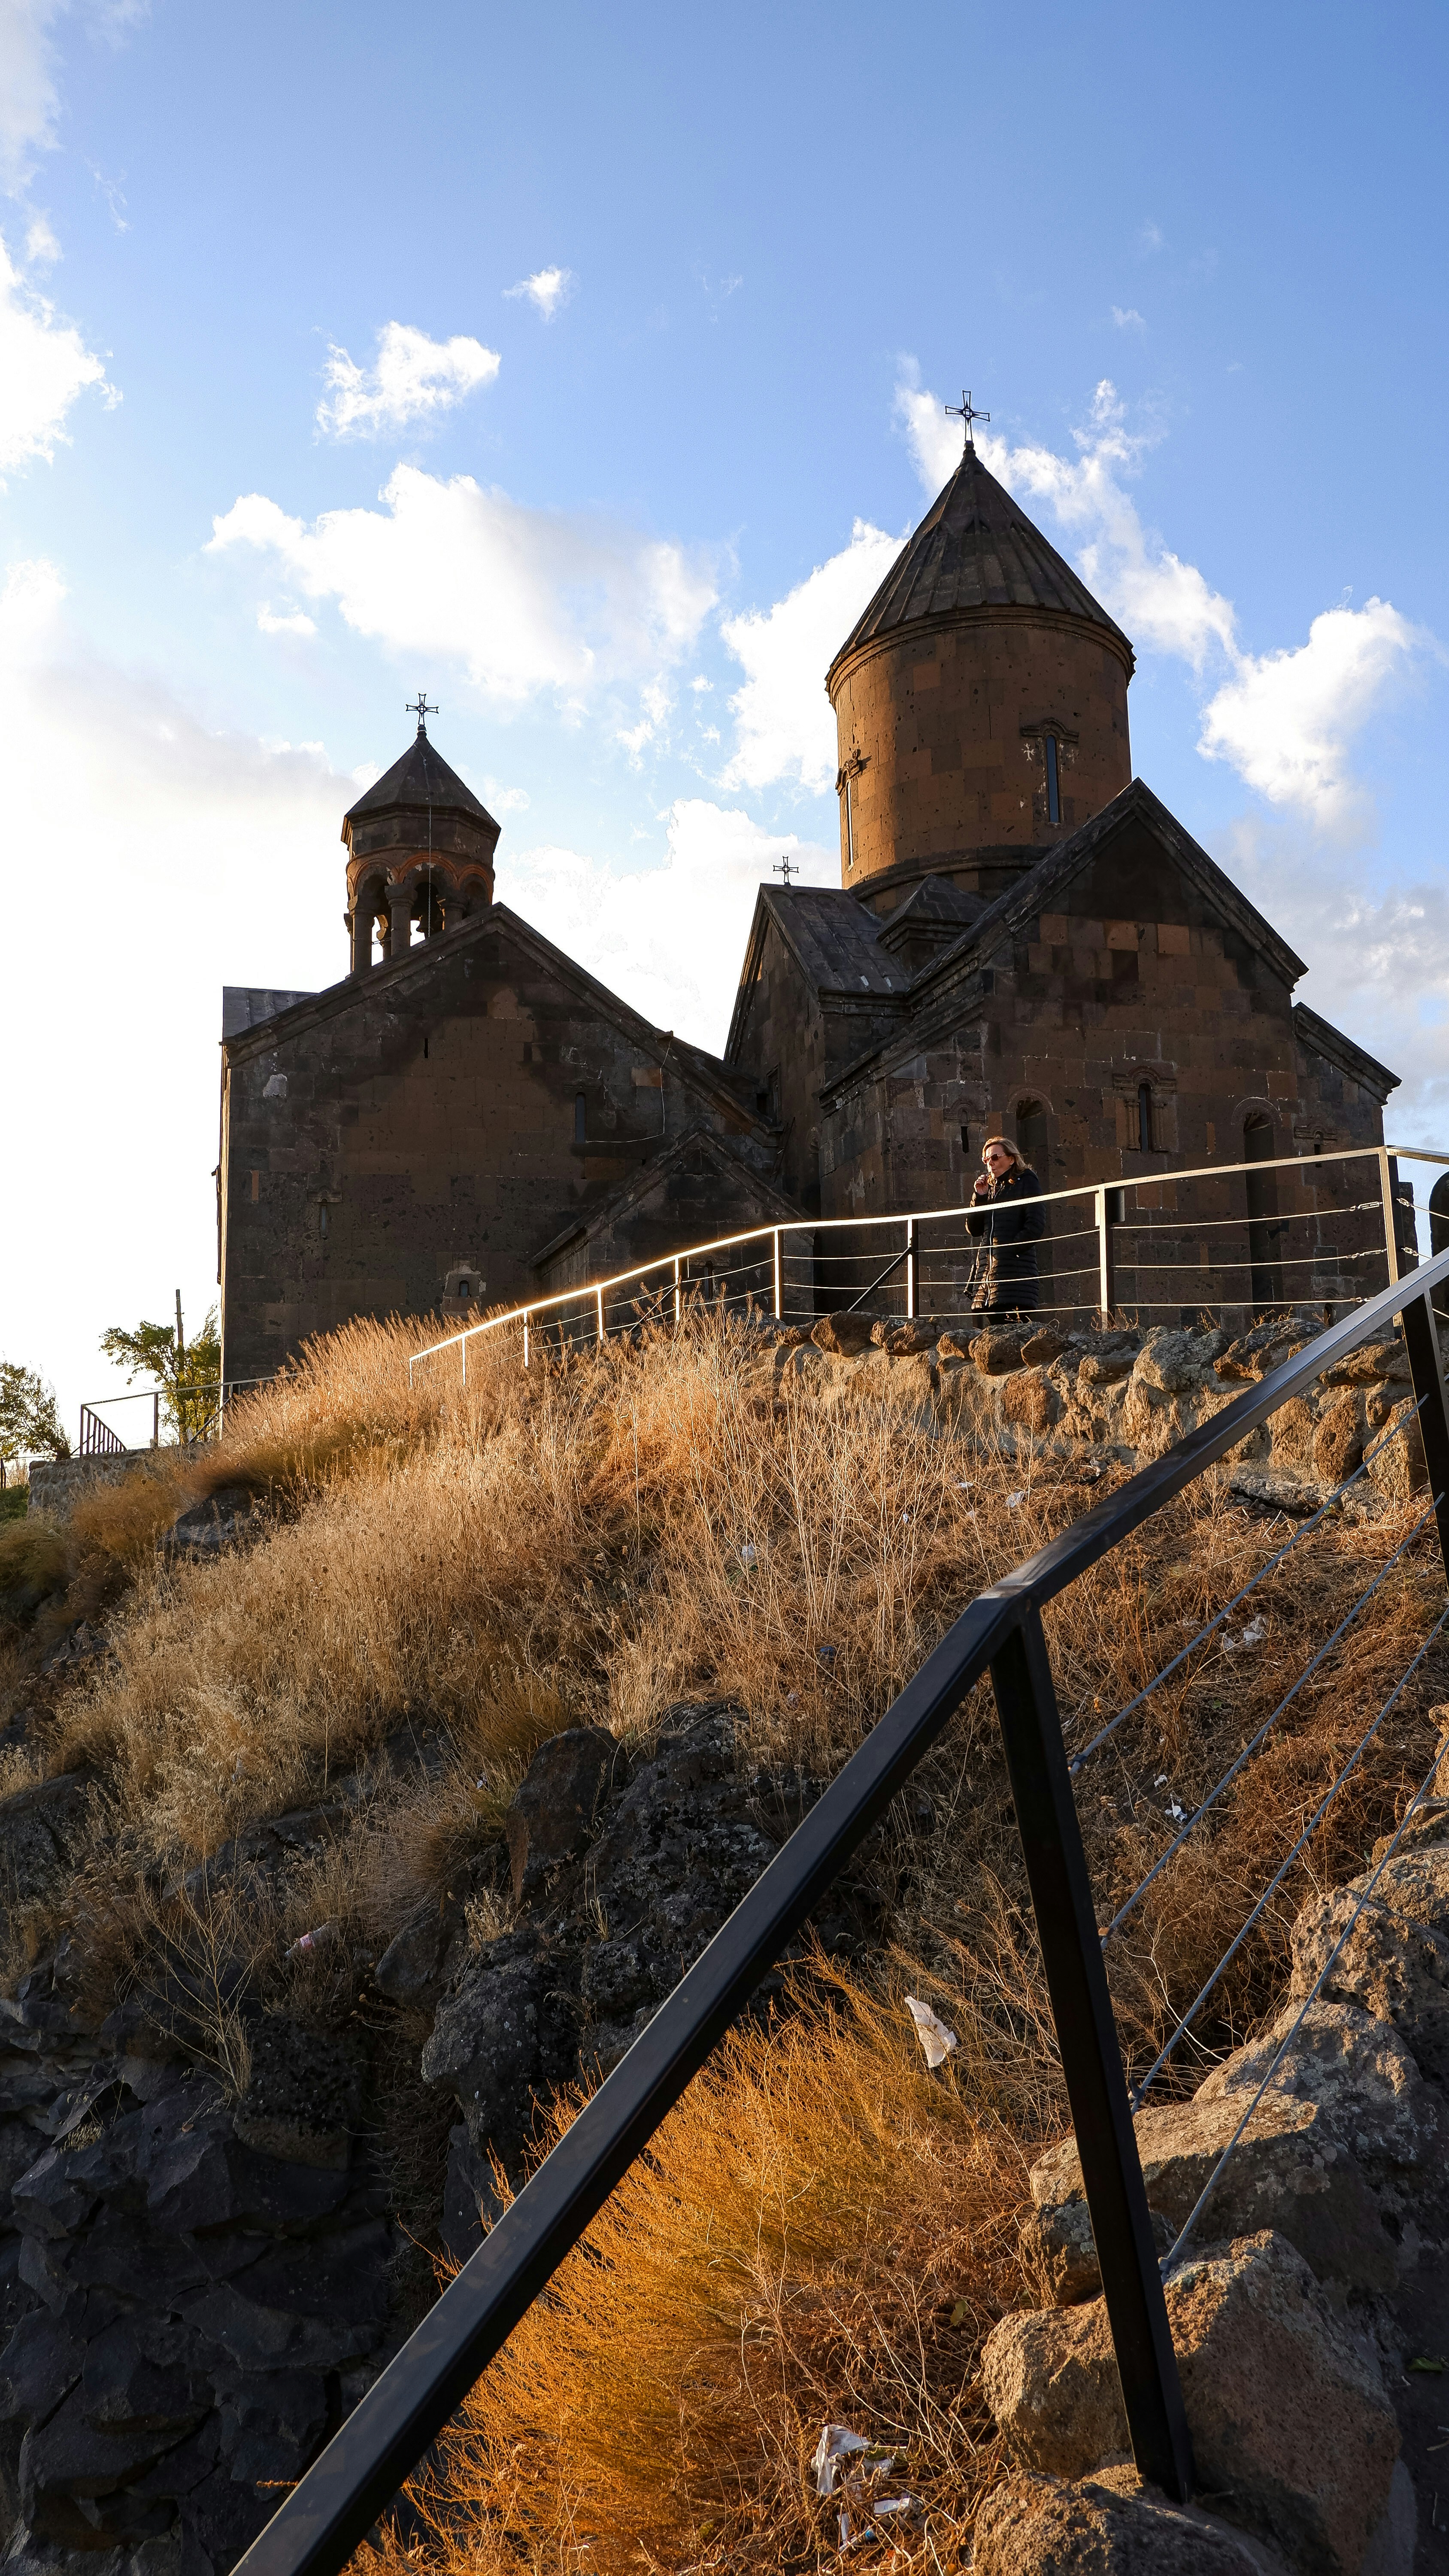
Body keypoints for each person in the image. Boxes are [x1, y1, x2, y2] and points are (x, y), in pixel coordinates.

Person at [966, 1136, 1046, 1320]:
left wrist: (1010, 1250)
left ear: (1011, 1159)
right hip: (988, 1276)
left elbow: (1036, 1224)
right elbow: (974, 1229)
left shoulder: (1027, 1180)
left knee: (1016, 1328)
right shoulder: (989, 1188)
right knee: (994, 1329)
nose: (990, 1163)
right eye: (986, 1159)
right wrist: (980, 1197)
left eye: (995, 1157)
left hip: (1015, 1273)